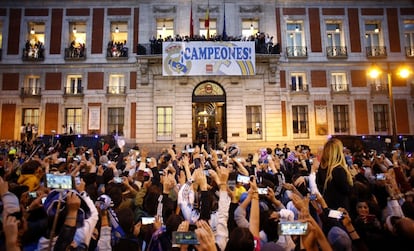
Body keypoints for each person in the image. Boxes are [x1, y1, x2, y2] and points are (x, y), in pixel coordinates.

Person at [317, 138, 354, 212]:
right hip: (340, 209)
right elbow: (347, 190)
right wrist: (354, 177)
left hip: (327, 208)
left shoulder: (322, 169)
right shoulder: (338, 170)